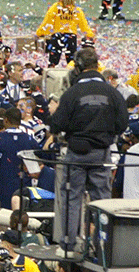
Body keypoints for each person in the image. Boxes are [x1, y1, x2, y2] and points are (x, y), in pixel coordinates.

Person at [46, 48, 128, 254]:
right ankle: (103, 247)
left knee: (72, 198)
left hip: (76, 154)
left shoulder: (72, 94)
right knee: (102, 200)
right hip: (101, 153)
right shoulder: (112, 93)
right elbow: (123, 123)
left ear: (79, 68)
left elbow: (56, 125)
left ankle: (68, 245)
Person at [35, 0, 94, 67]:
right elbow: (84, 26)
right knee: (72, 63)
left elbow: (47, 23)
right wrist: (90, 35)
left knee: (52, 63)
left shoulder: (55, 7)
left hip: (57, 36)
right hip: (71, 37)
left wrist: (39, 33)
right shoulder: (76, 10)